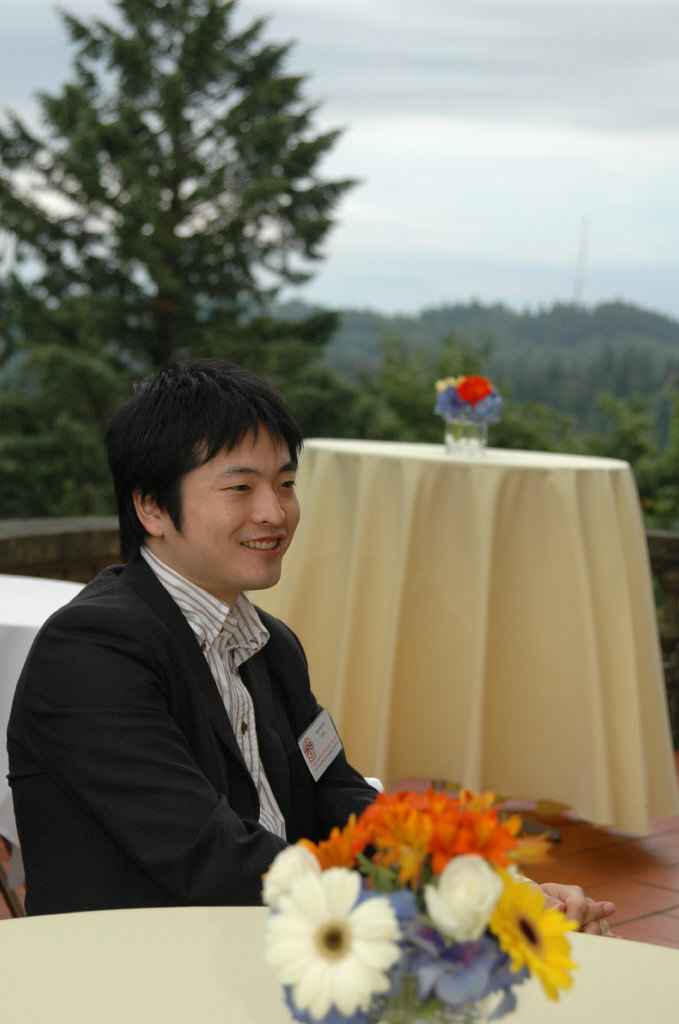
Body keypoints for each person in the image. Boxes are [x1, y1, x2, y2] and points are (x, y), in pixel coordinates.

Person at [7, 359, 615, 933]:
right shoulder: (92, 651)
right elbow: (207, 854)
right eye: (240, 488)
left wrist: (494, 882)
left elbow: (336, 792)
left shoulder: (270, 643)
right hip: (143, 963)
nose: (274, 513)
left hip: (270, 940)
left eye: (286, 484)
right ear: (151, 507)